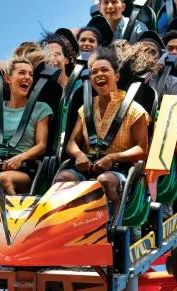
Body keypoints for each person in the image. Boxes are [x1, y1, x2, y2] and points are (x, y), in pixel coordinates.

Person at [55, 47, 149, 217]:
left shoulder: (135, 110)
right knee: (63, 179)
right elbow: (71, 143)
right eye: (94, 72)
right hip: (88, 166)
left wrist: (113, 157)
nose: (99, 74)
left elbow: (142, 148)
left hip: (120, 169)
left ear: (116, 76)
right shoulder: (86, 109)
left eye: (105, 70)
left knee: (104, 181)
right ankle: (64, 226)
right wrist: (79, 155)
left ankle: (112, 226)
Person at [0, 57, 53, 195]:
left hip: (25, 167)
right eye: (22, 73)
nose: (27, 78)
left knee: (3, 178)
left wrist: (21, 158)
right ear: (8, 79)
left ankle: (18, 215)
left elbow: (41, 145)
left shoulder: (41, 108)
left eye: (30, 74)